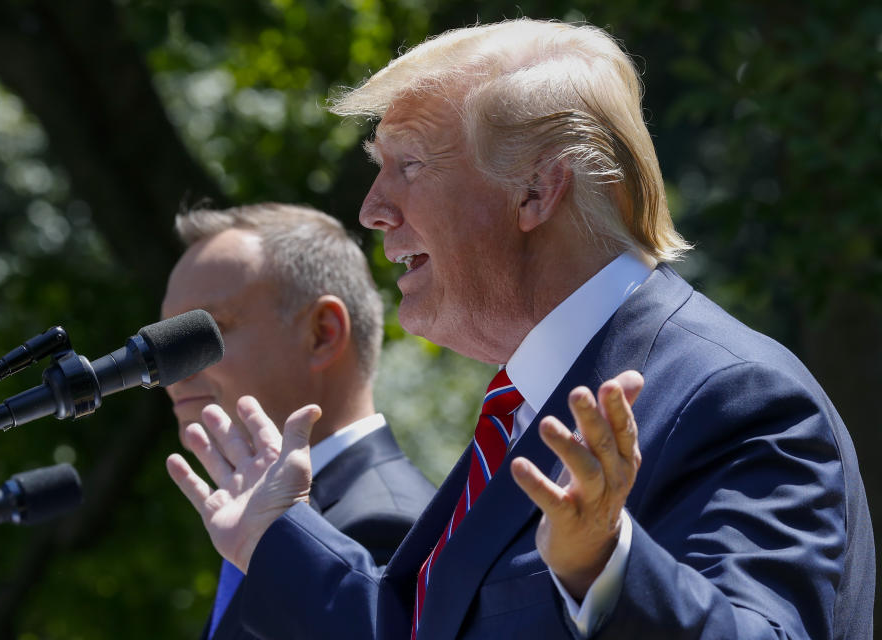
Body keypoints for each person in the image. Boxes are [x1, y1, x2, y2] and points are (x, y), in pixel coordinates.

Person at [166, 19, 875, 639]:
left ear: (538, 189)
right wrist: (274, 538)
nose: (373, 210)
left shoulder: (735, 395)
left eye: (408, 164)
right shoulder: (529, 404)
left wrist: (608, 566)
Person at [161, 203, 436, 639]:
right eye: (166, 344)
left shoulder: (390, 525)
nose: (171, 369)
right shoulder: (269, 516)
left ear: (322, 334)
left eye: (204, 333)